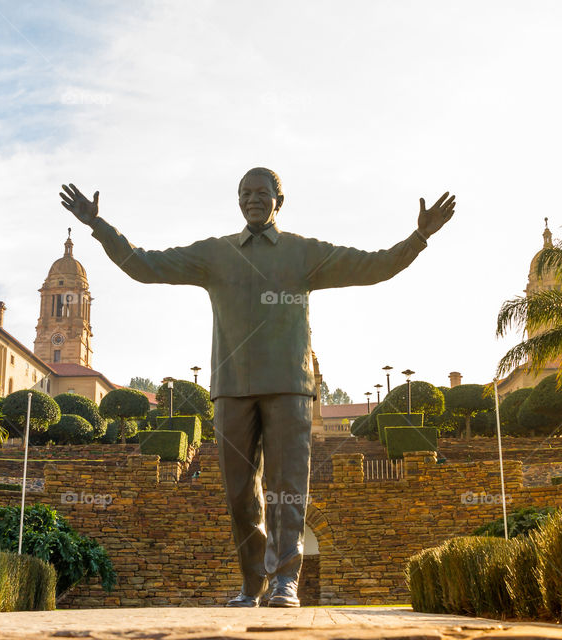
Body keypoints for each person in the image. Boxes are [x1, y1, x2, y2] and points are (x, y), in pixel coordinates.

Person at [60, 168, 455, 607]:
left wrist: (418, 237)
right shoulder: (216, 253)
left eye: (262, 193)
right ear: (238, 200)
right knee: (239, 493)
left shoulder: (303, 253)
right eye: (245, 192)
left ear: (278, 201)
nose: (253, 199)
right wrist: (98, 226)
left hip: (289, 386)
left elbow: (374, 266)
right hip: (231, 388)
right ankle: (254, 583)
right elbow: (143, 264)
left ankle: (286, 580)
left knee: (288, 487)